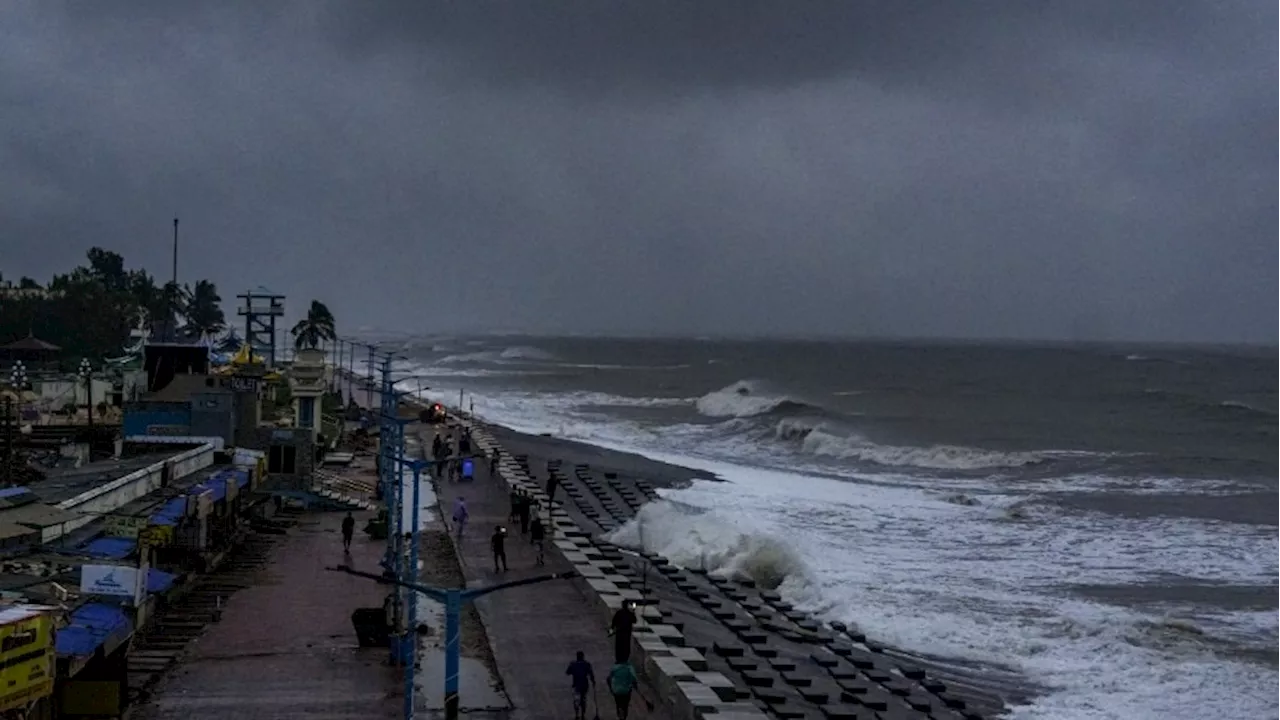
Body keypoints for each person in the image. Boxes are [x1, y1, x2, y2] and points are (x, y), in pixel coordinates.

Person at [565, 651, 594, 720]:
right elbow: (591, 674)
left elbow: (567, 672)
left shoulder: (573, 664)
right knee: (583, 699)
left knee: (576, 700)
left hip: (576, 685)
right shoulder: (587, 664)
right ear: (583, 656)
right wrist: (593, 681)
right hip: (584, 685)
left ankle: (577, 714)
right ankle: (583, 714)